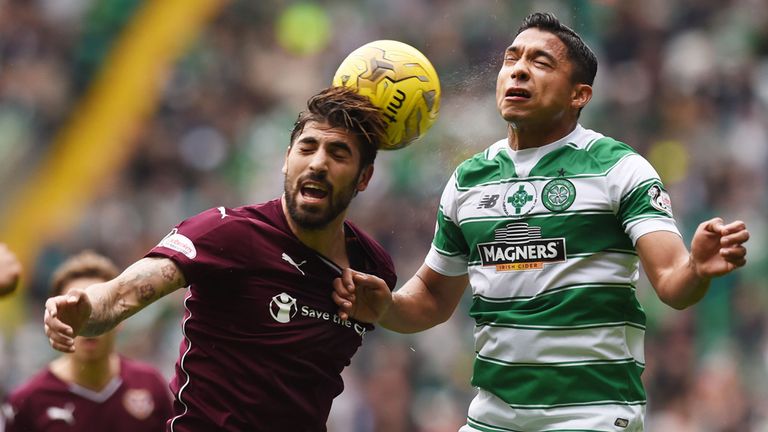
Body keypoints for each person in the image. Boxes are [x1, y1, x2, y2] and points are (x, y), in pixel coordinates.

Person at [333, 12, 750, 432]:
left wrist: (696, 267)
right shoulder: (468, 181)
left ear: (579, 95)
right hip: (491, 420)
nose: (518, 70)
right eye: (511, 59)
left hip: (592, 417)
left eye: (540, 62)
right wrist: (386, 306)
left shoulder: (619, 169)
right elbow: (431, 298)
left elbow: (673, 283)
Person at [43, 86, 397, 431]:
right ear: (287, 159)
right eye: (307, 147)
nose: (318, 163)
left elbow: (416, 309)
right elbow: (123, 294)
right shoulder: (228, 233)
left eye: (338, 153)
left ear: (364, 177)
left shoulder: (370, 268)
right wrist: (84, 310)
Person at [3, 251, 172, 431]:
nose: (86, 324)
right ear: (55, 319)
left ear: (120, 318)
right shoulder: (28, 401)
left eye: (96, 311)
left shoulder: (151, 385)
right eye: (73, 311)